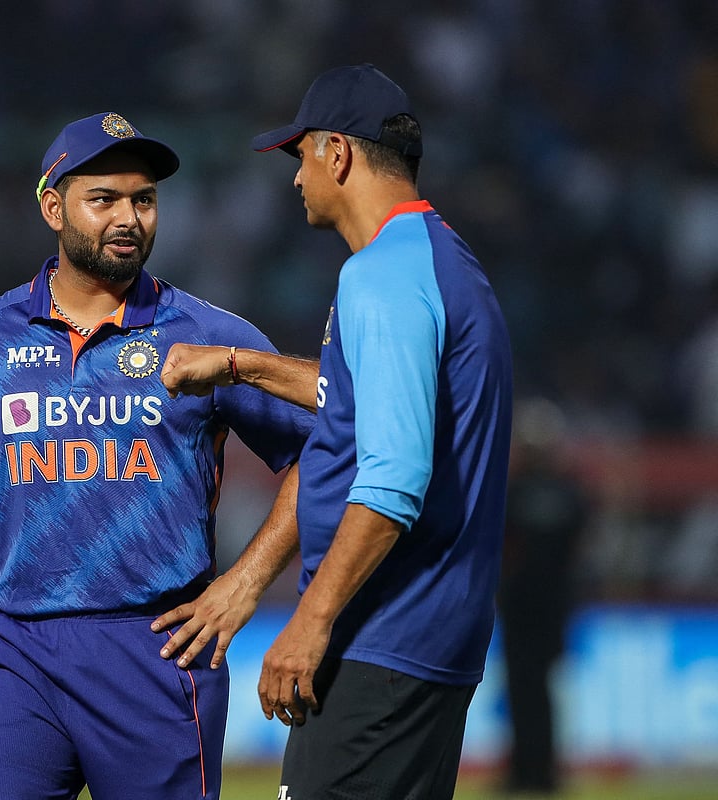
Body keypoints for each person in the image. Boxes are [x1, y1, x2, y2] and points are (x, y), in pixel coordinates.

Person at [0, 111, 314, 800]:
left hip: (158, 651)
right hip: (12, 651)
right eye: (104, 200)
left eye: (144, 200)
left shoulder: (208, 335)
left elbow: (319, 455)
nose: (129, 218)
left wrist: (245, 584)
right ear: (52, 208)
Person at [158, 64, 514, 799]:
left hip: (382, 636)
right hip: (430, 634)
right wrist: (242, 366)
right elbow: (364, 398)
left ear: (338, 153)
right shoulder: (439, 261)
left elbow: (394, 477)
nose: (296, 179)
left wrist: (311, 621)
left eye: (301, 156)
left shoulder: (382, 276)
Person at [499, 398, 588, 796]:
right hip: (552, 603)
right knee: (542, 687)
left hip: (522, 601)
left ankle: (525, 771)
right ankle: (542, 771)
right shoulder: (570, 492)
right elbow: (579, 547)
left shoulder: (513, 490)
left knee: (522, 687)